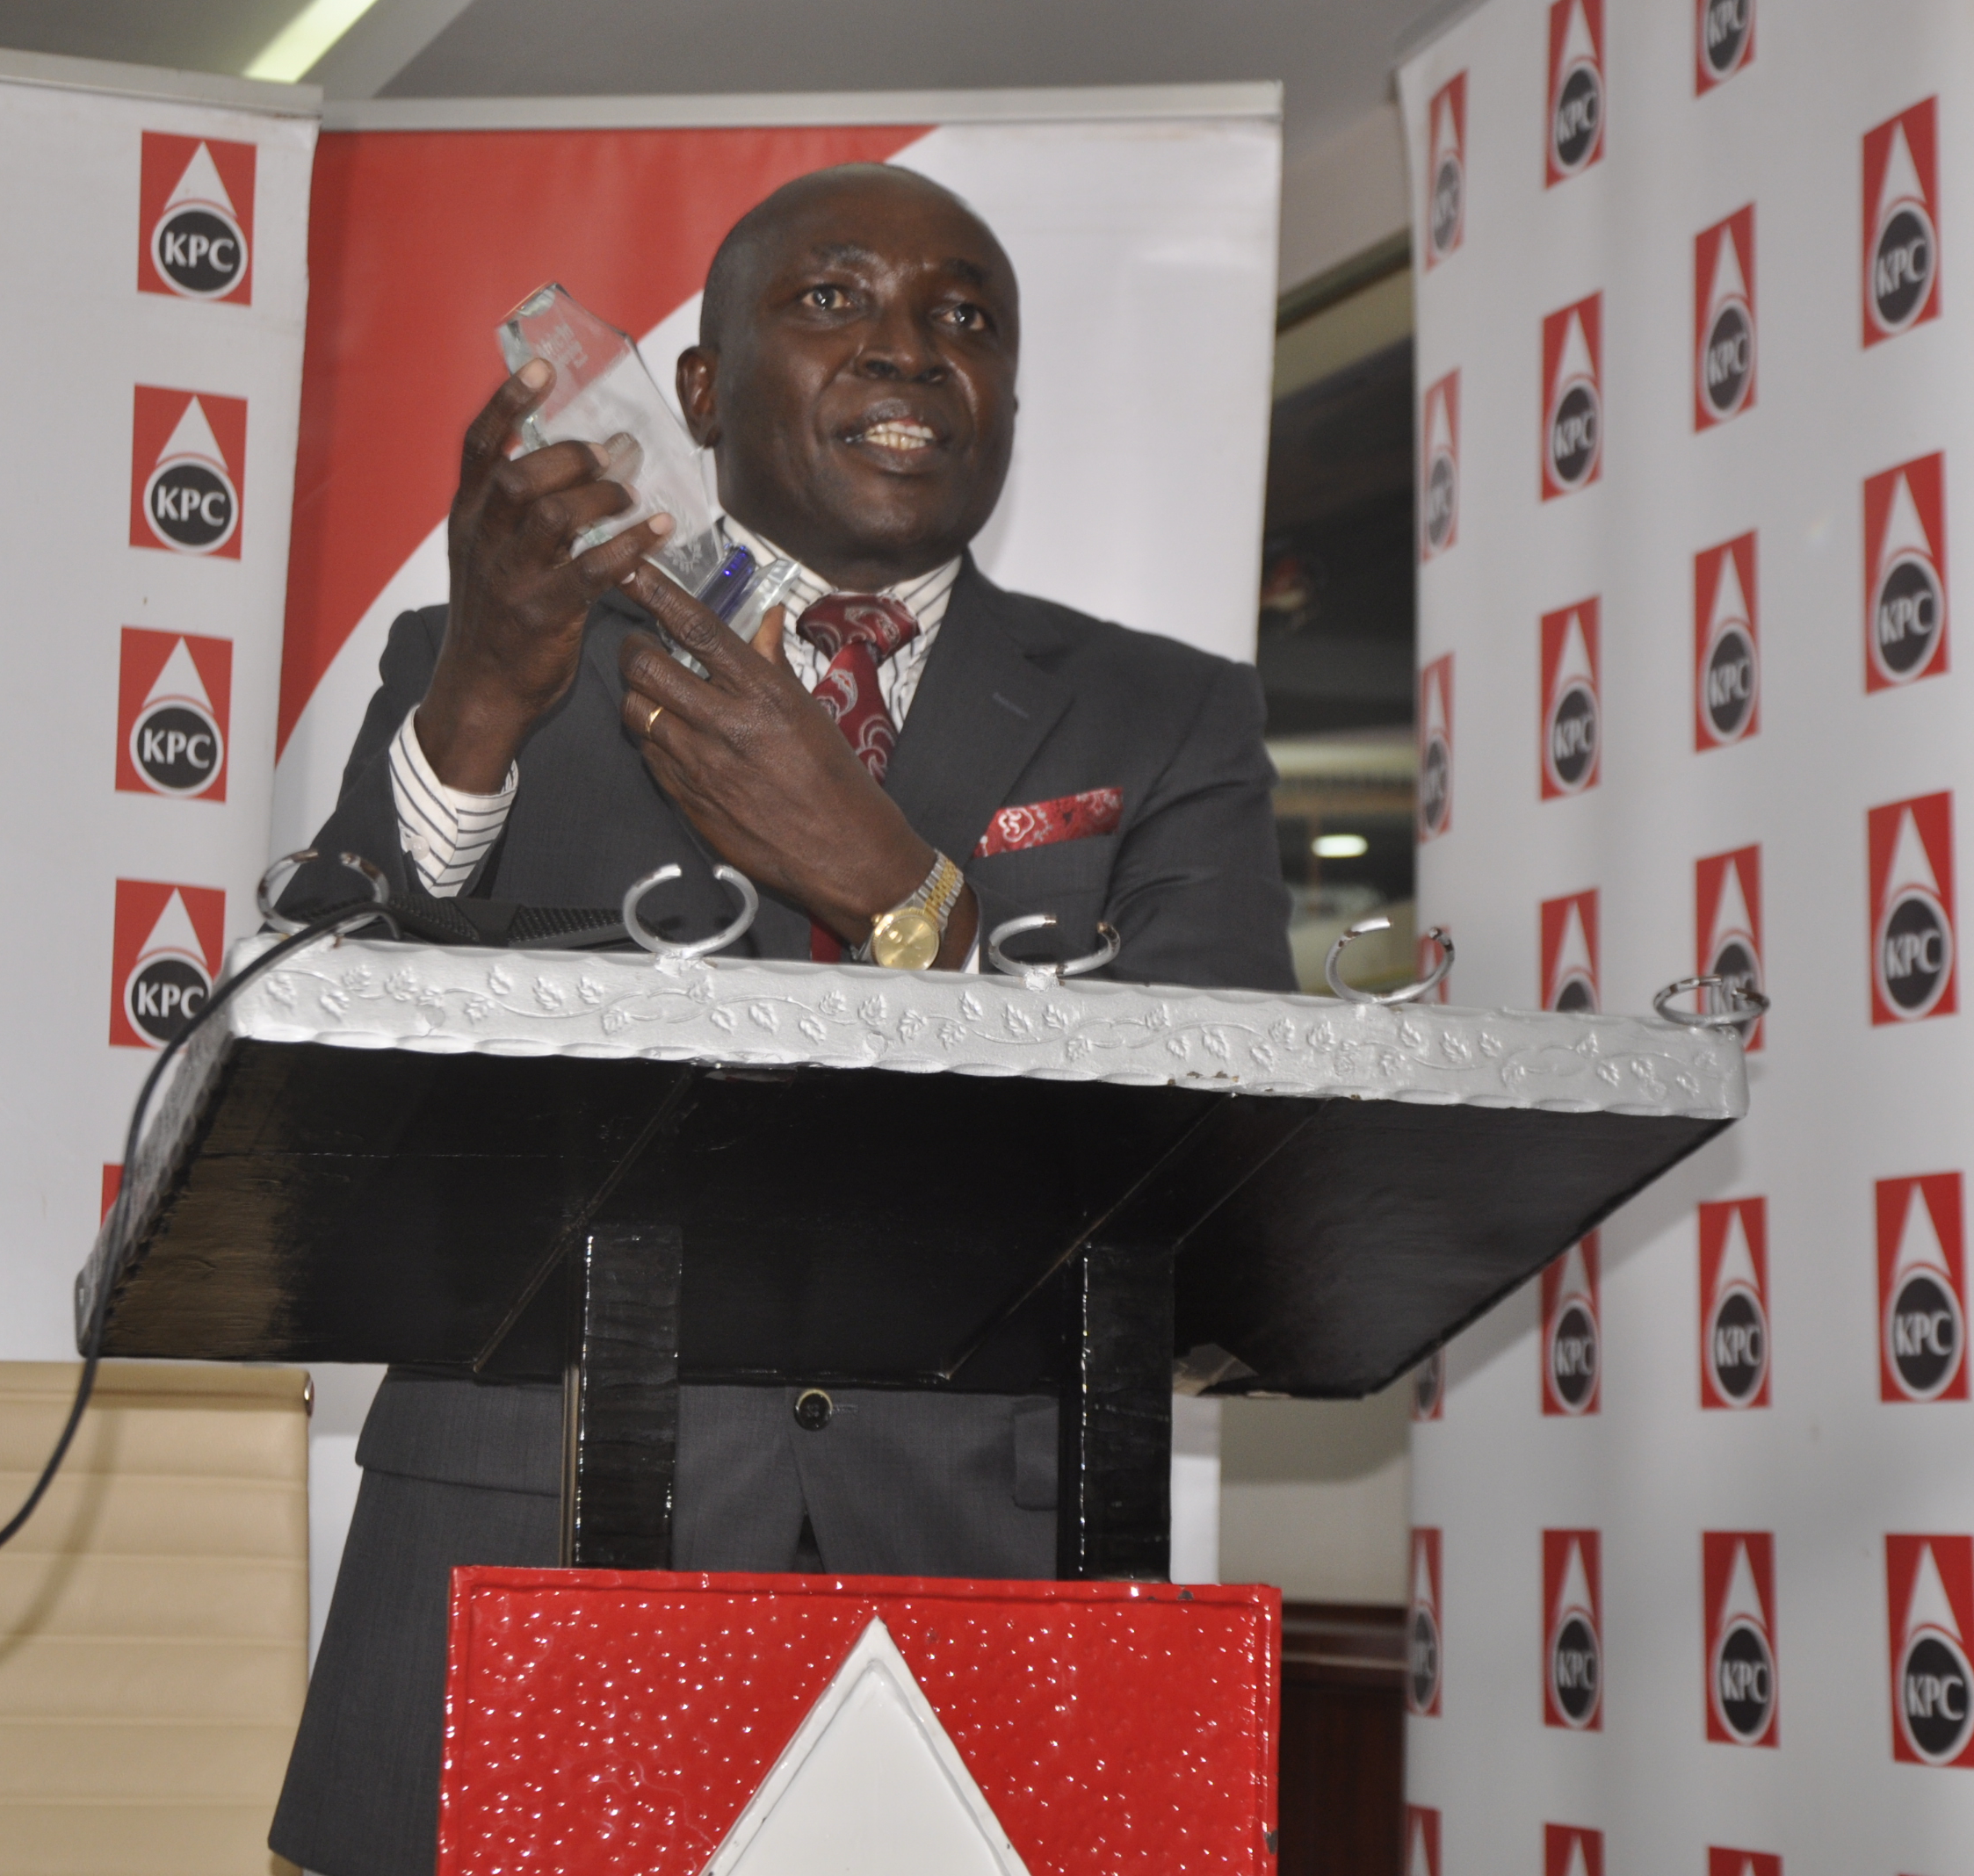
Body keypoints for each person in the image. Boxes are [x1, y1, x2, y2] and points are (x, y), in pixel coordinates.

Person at [268, 162, 1294, 1875]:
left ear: (1007, 402)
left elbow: (1235, 1141)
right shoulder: (495, 657)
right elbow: (320, 1014)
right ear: (696, 391)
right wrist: (482, 700)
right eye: (832, 301)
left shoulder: (1164, 712)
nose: (908, 350)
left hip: (984, 1557)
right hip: (529, 1524)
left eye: (964, 320)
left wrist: (909, 897)